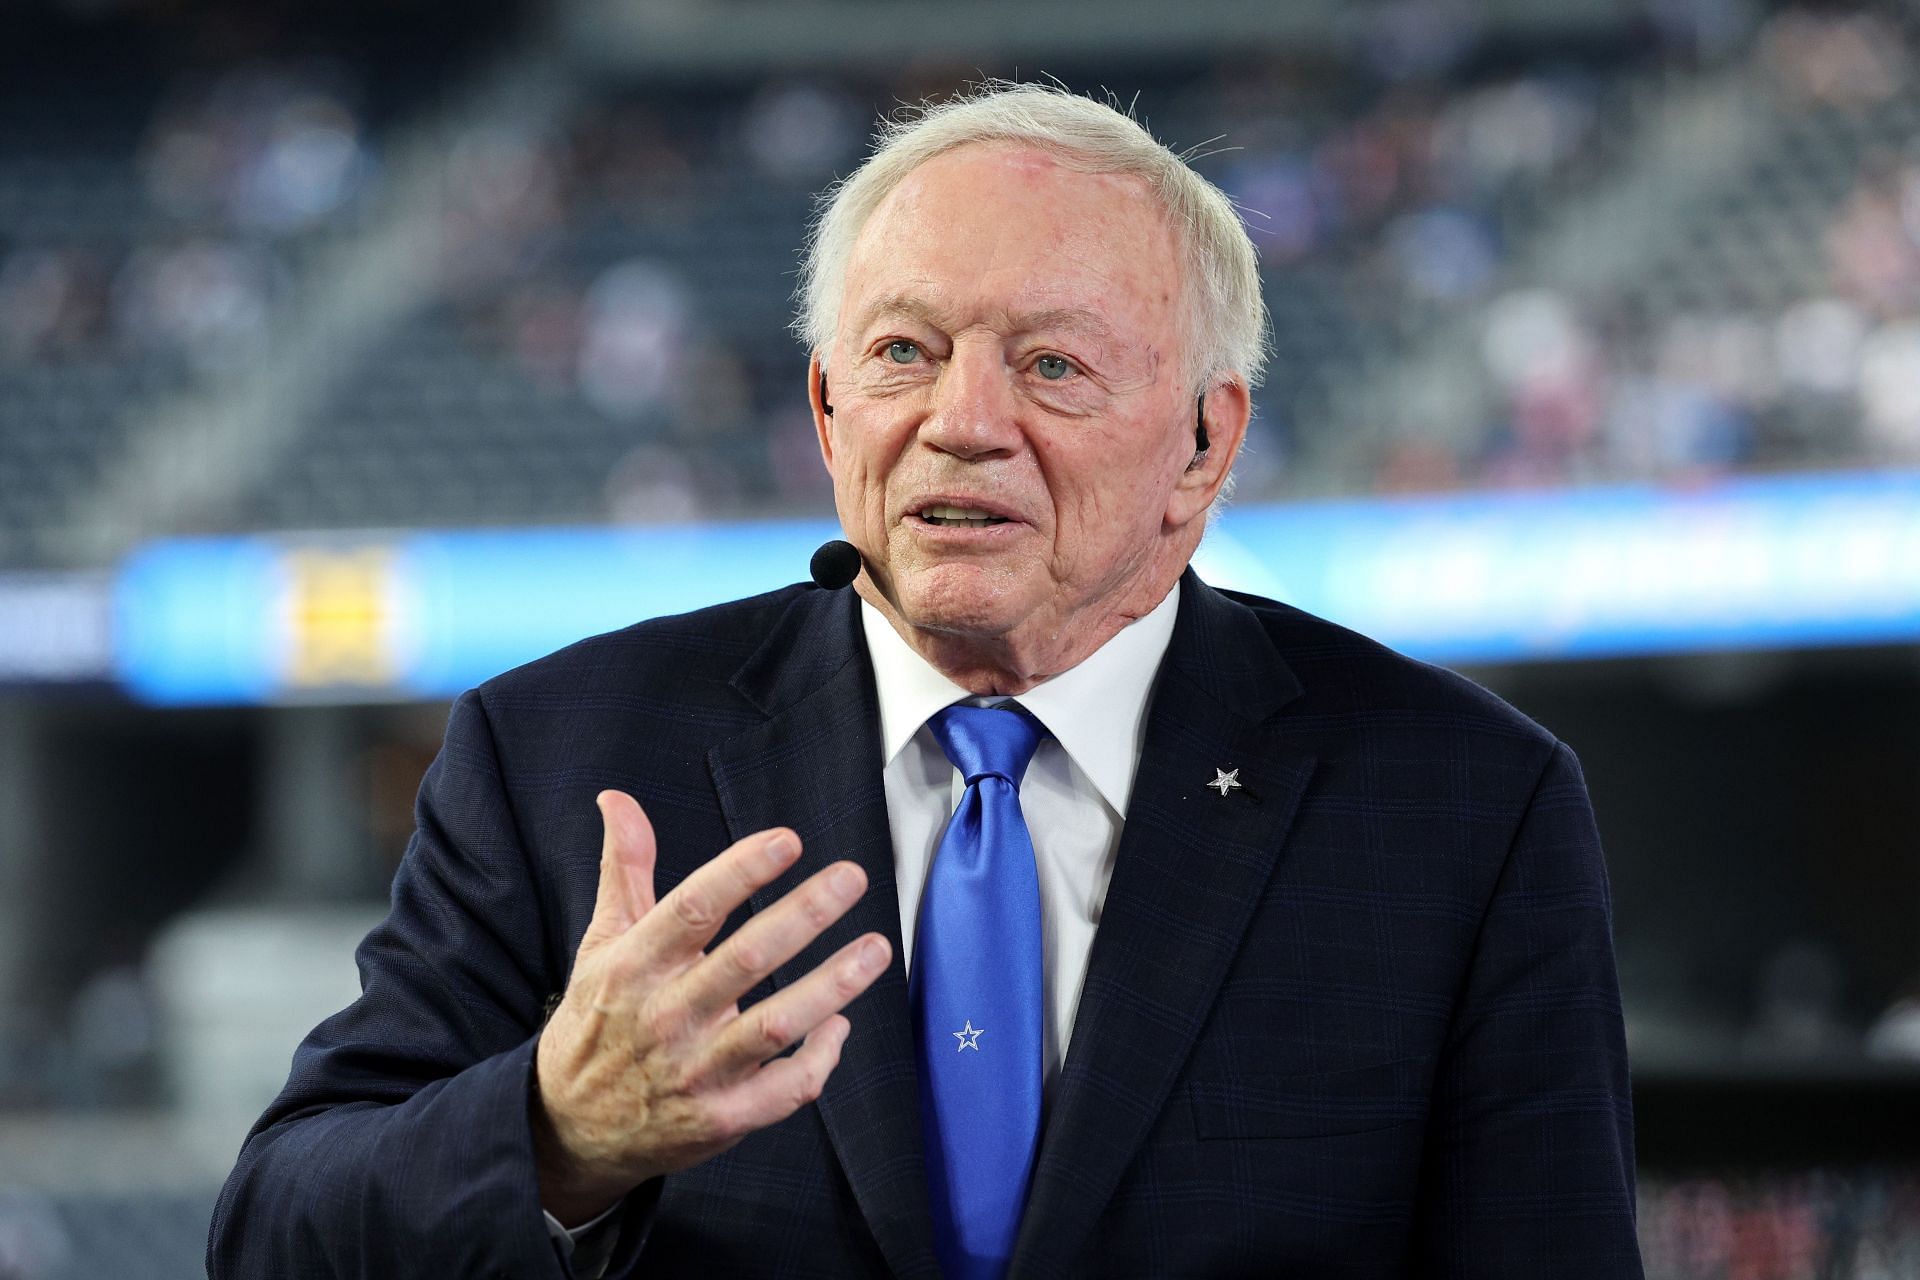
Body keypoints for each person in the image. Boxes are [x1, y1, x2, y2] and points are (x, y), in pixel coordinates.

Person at [209, 83, 1643, 1278]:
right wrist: (552, 1130)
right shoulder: (562, 753)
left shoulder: (1463, 804)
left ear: (1205, 448)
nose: (963, 423)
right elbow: (277, 1232)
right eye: (904, 352)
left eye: (1053, 365)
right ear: (830, 415)